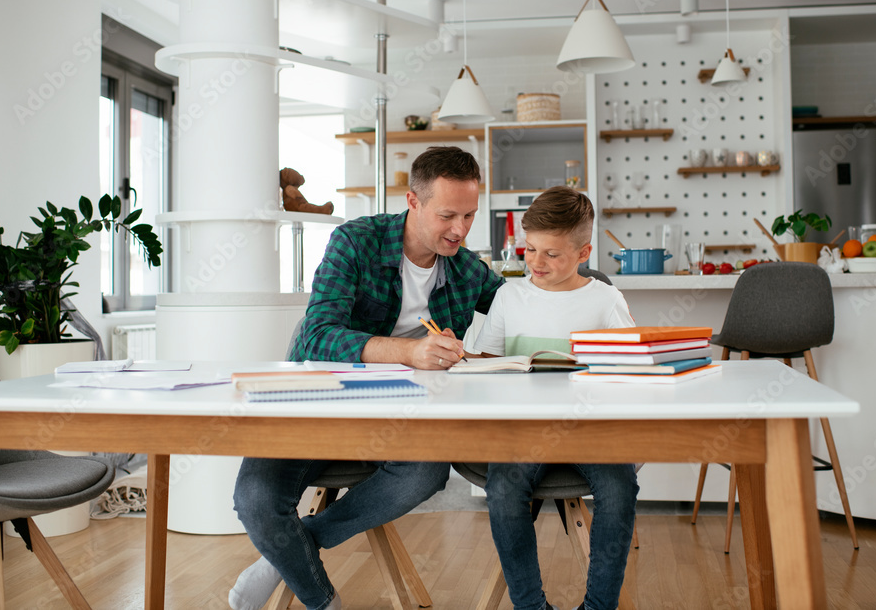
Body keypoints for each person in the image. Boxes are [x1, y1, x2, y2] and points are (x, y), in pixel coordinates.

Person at [230, 146, 503, 610]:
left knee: (425, 472)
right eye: (448, 215)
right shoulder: (354, 241)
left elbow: (516, 308)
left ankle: (286, 558)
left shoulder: (465, 267)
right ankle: (323, 601)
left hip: (393, 416)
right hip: (314, 401)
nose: (460, 230)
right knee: (256, 499)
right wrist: (408, 352)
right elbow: (317, 335)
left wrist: (572, 287)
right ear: (413, 201)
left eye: (471, 215)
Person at [472, 186, 639, 610]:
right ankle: (531, 606)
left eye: (552, 254)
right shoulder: (509, 295)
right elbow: (489, 363)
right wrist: (462, 355)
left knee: (620, 488)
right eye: (531, 250)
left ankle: (599, 606)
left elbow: (632, 367)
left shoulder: (605, 300)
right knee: (505, 487)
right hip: (525, 427)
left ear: (584, 253)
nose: (537, 263)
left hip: (590, 426)